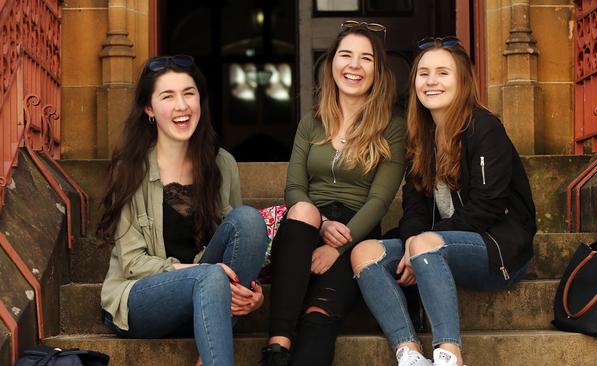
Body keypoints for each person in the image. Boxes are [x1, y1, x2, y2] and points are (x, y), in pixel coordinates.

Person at [350, 37, 537, 366]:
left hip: (496, 250)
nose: (431, 81)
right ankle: (408, 352)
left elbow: (487, 207)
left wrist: (423, 244)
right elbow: (415, 207)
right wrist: (411, 243)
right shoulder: (420, 135)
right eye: (424, 73)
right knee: (364, 253)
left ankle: (450, 354)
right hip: (433, 249)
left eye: (442, 73)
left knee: (424, 243)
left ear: (462, 81)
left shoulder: (484, 128)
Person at [97, 55, 268, 366]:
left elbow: (237, 249)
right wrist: (201, 273)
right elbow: (133, 263)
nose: (182, 106)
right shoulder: (130, 168)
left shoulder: (222, 163)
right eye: (168, 96)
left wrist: (252, 293)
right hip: (143, 299)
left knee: (248, 221)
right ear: (149, 109)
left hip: (209, 298)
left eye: (189, 93)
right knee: (211, 277)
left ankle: (210, 349)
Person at [260, 21, 407, 366]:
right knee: (304, 211)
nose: (354, 65)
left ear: (378, 71)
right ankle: (277, 347)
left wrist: (338, 245)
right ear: (331, 64)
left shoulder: (393, 126)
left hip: (355, 234)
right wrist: (322, 223)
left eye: (366, 58)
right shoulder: (311, 122)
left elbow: (380, 201)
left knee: (317, 314)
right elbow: (294, 188)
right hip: (306, 227)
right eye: (346, 55)